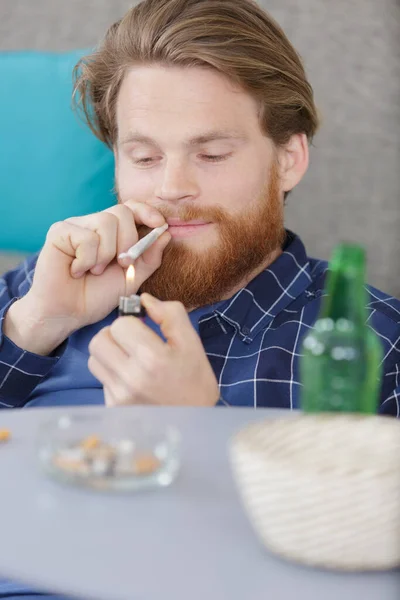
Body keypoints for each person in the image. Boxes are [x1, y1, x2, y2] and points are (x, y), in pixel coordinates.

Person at [1, 0, 399, 419]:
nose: (171, 189)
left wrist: (201, 421)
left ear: (288, 161)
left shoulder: (377, 345)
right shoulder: (39, 287)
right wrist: (34, 327)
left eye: (211, 155)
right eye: (144, 157)